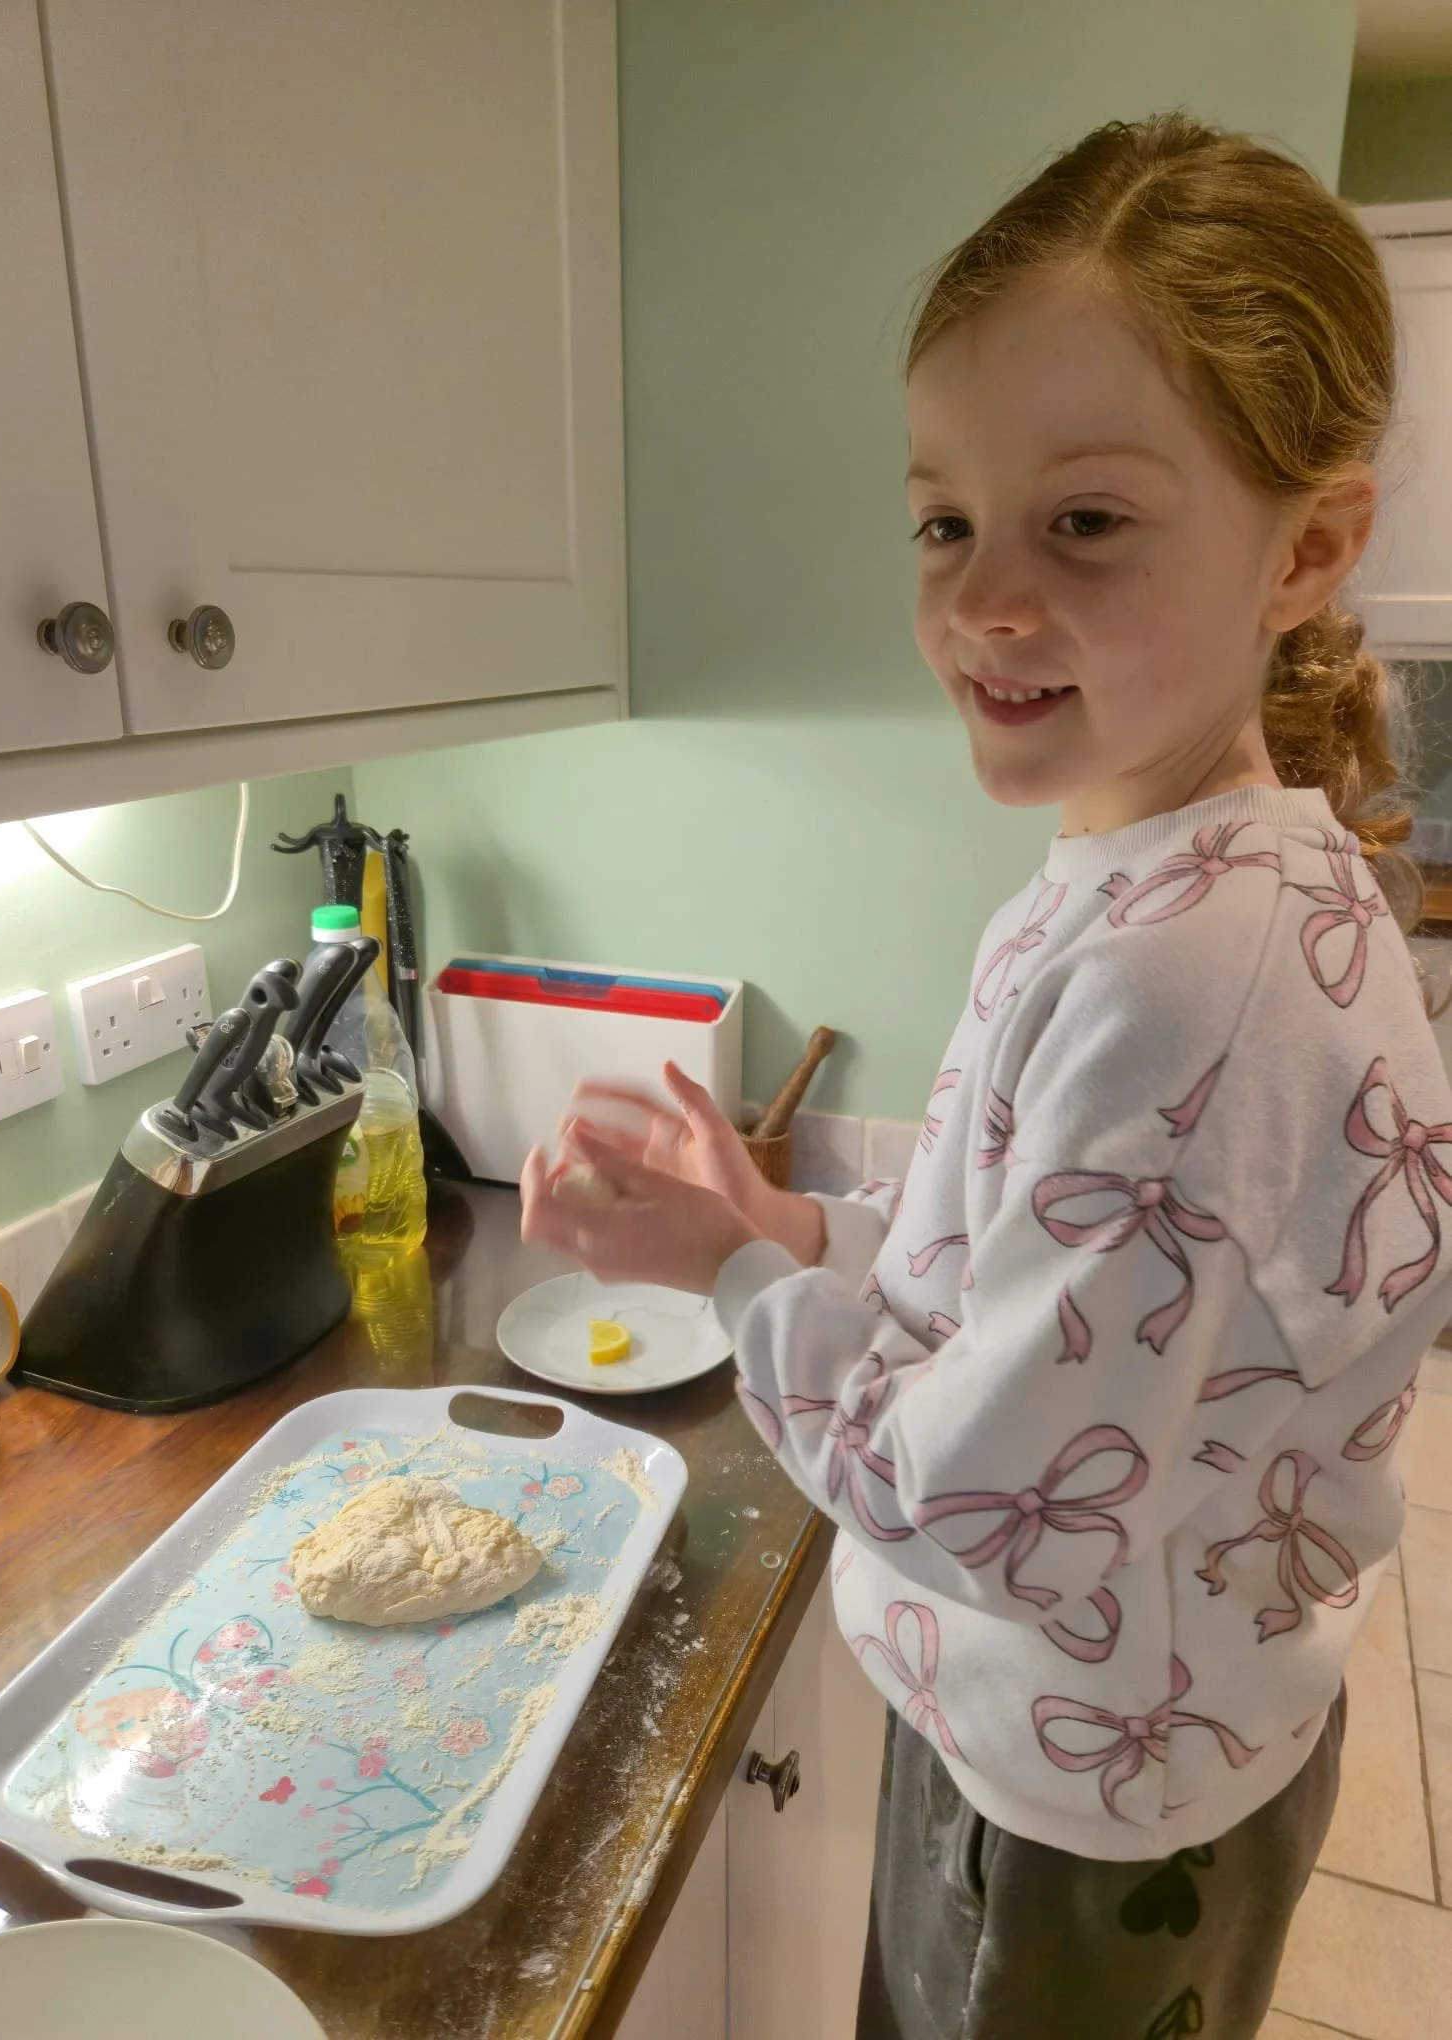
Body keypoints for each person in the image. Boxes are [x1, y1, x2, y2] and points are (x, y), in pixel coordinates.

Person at [518, 111, 1452, 2040]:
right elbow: (1021, 1243)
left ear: (1307, 547)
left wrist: (730, 1279)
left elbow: (992, 1512)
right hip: (1092, 1729)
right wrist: (800, 1228)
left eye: (1084, 521)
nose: (978, 603)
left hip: (1087, 1812)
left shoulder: (1188, 977)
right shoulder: (1155, 873)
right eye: (945, 521)